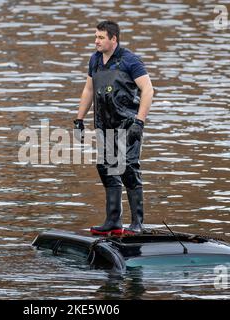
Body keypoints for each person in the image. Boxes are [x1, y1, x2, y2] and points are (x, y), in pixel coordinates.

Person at [74, 20, 154, 236]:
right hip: (104, 124)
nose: (96, 41)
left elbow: (148, 90)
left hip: (128, 124)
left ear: (113, 39)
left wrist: (140, 121)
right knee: (106, 167)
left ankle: (137, 224)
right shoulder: (95, 60)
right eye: (96, 36)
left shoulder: (130, 61)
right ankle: (113, 221)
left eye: (101, 37)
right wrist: (79, 119)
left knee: (127, 167)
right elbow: (89, 90)